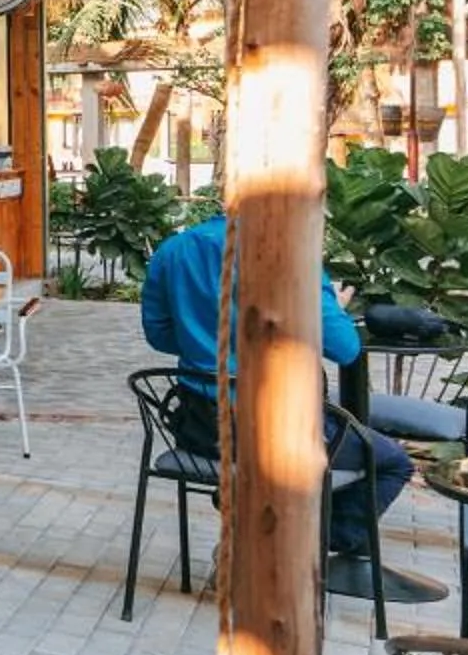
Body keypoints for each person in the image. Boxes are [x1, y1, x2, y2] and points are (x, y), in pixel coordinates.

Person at [139, 212, 413, 559]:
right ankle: (288, 549)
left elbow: (160, 336)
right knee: (391, 463)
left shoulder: (174, 250)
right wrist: (332, 310)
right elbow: (345, 349)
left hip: (202, 433)